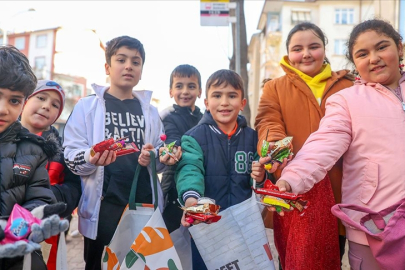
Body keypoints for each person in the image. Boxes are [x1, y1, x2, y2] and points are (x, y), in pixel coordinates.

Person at [274, 19, 405, 270]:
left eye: (382, 47)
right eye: (363, 54)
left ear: (399, 48)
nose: (374, 58)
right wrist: (289, 179)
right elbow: (323, 144)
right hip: (372, 224)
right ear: (354, 62)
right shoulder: (346, 100)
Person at [254, 22, 354, 270]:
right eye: (297, 48)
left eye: (314, 46)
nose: (306, 54)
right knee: (292, 258)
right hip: (291, 188)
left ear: (325, 48)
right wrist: (276, 148)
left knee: (333, 257)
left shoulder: (349, 86)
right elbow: (268, 121)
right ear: (288, 53)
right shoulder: (274, 87)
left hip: (340, 189)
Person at [63, 36, 165, 270]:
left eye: (136, 62)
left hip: (143, 205)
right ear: (108, 67)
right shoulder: (86, 107)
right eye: (121, 59)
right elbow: (71, 156)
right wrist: (91, 157)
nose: (129, 66)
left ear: (141, 71)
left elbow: (159, 161)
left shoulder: (150, 112)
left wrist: (155, 157)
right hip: (103, 207)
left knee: (141, 265)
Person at [175, 69, 265, 270]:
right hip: (208, 228)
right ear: (206, 103)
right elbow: (190, 169)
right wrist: (192, 201)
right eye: (217, 95)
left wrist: (260, 175)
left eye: (232, 96)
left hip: (245, 225)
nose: (224, 102)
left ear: (242, 103)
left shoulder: (253, 138)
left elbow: (262, 178)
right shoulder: (193, 138)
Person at [0, 45, 68, 270]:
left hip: (15, 252)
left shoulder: (34, 149)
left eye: (14, 100)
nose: (3, 109)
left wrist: (32, 218)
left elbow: (39, 197)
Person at [20, 79, 82, 270]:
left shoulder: (62, 151)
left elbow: (74, 188)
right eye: (41, 97)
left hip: (46, 234)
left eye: (55, 105)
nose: (46, 106)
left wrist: (46, 200)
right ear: (25, 101)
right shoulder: (5, 139)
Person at [159, 64, 203, 233]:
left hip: (199, 179)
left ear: (200, 92)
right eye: (179, 86)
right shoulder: (168, 116)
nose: (185, 91)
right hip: (173, 184)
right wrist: (174, 149)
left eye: (191, 86)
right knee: (172, 232)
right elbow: (171, 138)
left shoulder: (204, 118)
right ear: (171, 91)